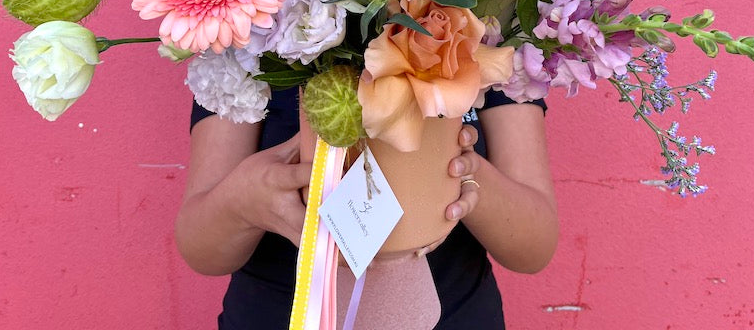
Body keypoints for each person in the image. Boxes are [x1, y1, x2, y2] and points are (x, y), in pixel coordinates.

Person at [176, 86, 558, 329]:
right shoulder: (243, 26)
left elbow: (535, 247)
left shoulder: (476, 24)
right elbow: (201, 248)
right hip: (277, 316)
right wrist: (245, 199)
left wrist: (464, 174)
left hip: (453, 315)